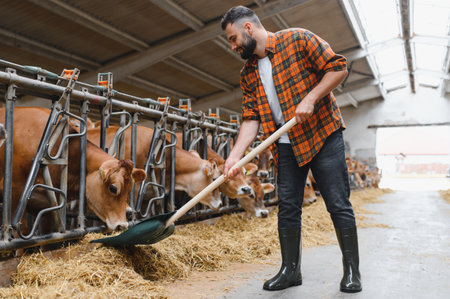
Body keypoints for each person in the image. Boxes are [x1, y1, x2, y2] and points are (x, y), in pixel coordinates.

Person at [221, 6, 361, 293]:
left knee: (337, 203)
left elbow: (338, 67)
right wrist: (234, 156)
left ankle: (352, 272)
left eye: (234, 39)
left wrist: (311, 98)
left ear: (248, 29)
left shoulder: (298, 39)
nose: (233, 46)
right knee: (287, 208)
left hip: (322, 135)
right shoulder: (248, 73)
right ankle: (290, 270)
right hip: (284, 145)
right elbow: (251, 118)